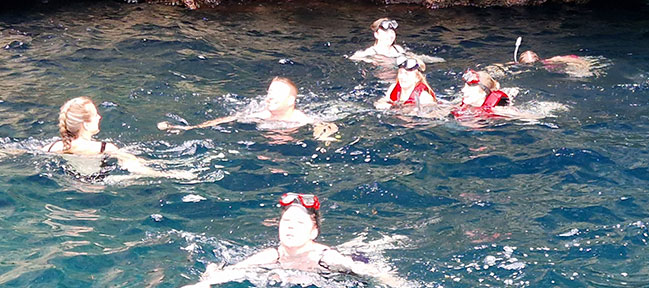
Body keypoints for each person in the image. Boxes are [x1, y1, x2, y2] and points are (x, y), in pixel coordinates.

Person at [180, 193, 409, 288]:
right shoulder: (272, 255)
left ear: (313, 232)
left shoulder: (327, 258)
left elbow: (375, 273)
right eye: (286, 222)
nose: (290, 227)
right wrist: (206, 280)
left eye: (299, 223)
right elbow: (230, 272)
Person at [45, 97, 194, 179]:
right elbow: (136, 169)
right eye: (95, 115)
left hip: (70, 182)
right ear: (85, 124)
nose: (99, 117)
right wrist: (172, 175)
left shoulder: (52, 147)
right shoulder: (105, 148)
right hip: (97, 187)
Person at [157, 78, 335, 139]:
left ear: (290, 101)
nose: (270, 96)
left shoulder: (299, 119)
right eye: (269, 92)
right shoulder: (261, 114)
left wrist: (323, 137)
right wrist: (191, 128)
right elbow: (229, 118)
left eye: (277, 93)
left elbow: (328, 125)